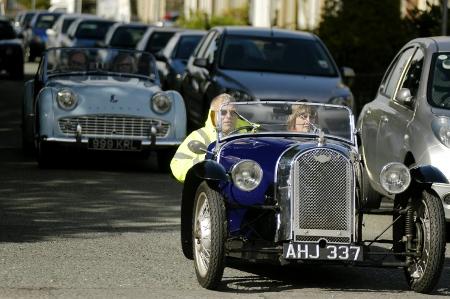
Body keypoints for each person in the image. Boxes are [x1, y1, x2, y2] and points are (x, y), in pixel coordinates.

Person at [170, 93, 237, 183]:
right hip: (213, 186)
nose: (229, 116)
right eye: (223, 112)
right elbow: (177, 166)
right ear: (213, 114)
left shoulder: (251, 132)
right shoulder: (199, 135)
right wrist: (206, 160)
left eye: (233, 112)